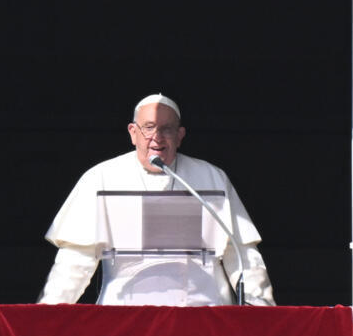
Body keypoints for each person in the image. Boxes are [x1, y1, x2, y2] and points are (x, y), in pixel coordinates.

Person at [38, 93, 275, 306]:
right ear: (133, 132)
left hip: (203, 311)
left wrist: (262, 311)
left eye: (167, 129)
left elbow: (241, 253)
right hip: (125, 315)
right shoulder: (100, 178)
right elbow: (76, 261)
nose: (157, 137)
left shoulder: (211, 177)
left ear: (180, 135)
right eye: (149, 127)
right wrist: (48, 313)